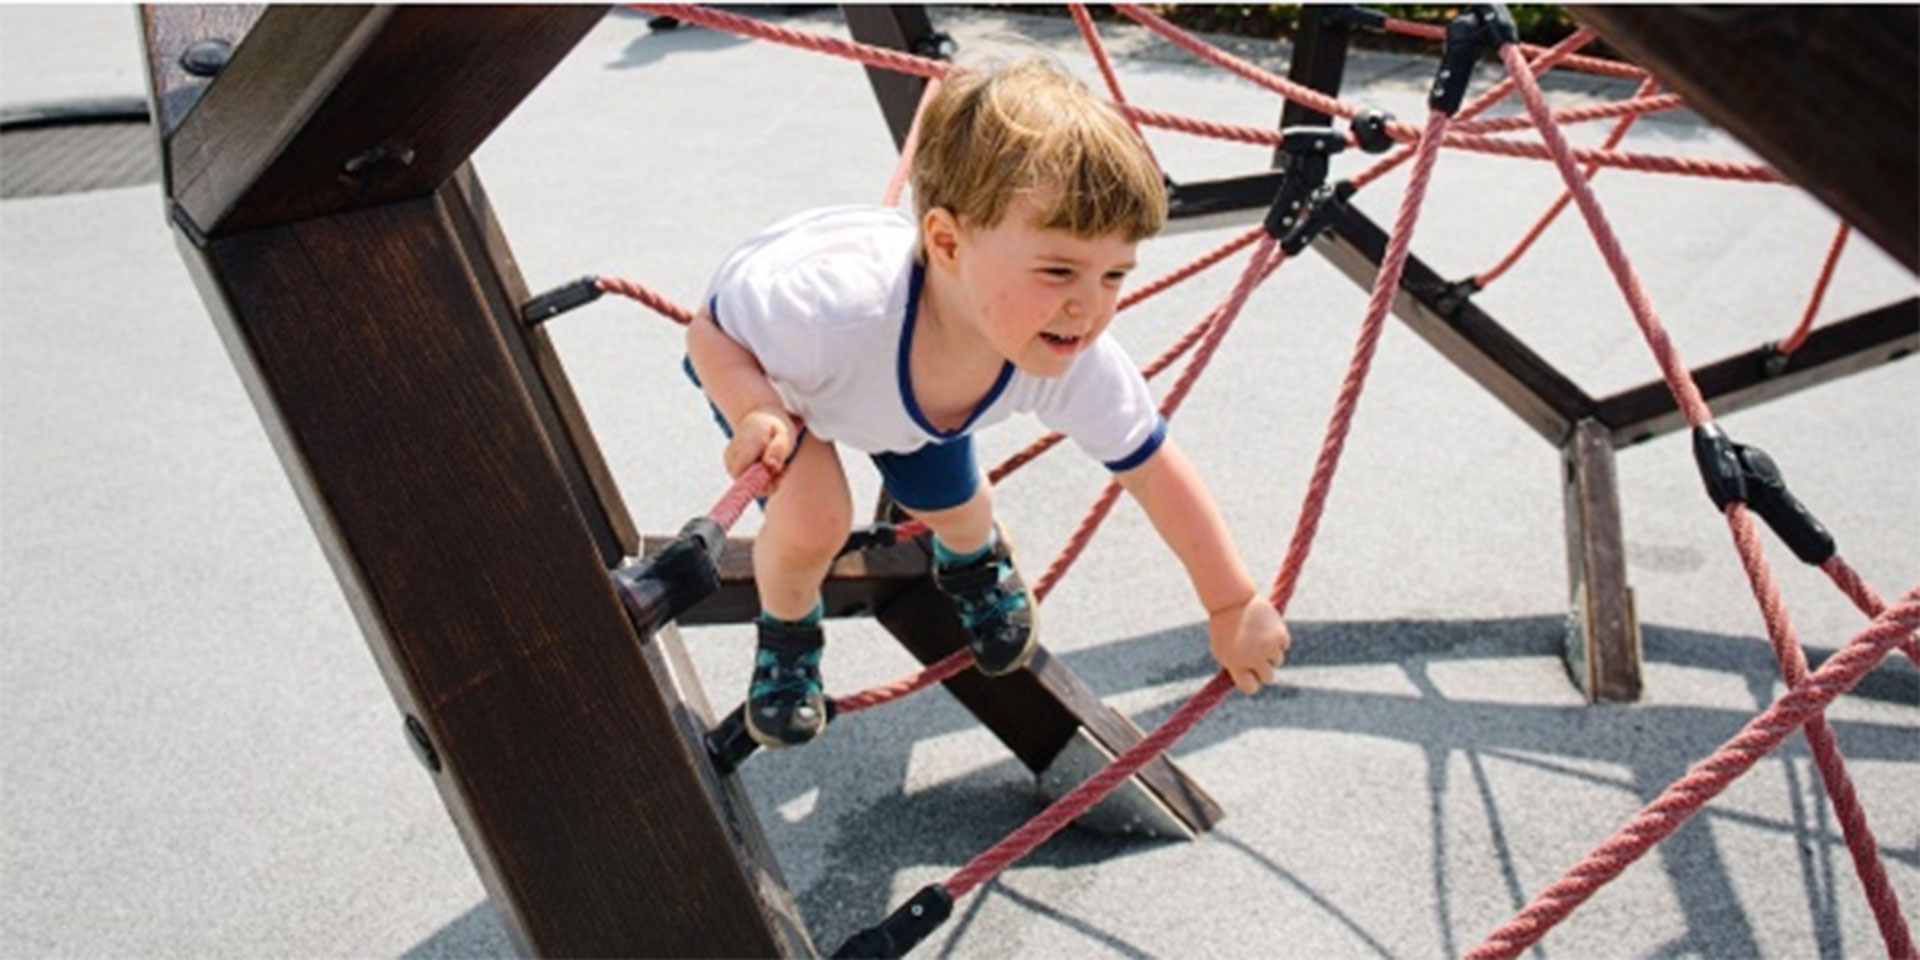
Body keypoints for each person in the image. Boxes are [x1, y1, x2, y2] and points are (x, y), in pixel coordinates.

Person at [685, 56, 1291, 748]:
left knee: (959, 506)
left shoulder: (1067, 351)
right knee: (813, 519)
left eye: (1115, 274)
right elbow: (709, 332)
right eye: (1059, 269)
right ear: (946, 243)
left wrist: (1231, 600)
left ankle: (971, 560)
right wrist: (751, 409)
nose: (1088, 306)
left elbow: (1151, 468)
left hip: (924, 383)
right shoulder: (825, 318)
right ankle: (788, 641)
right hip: (785, 377)